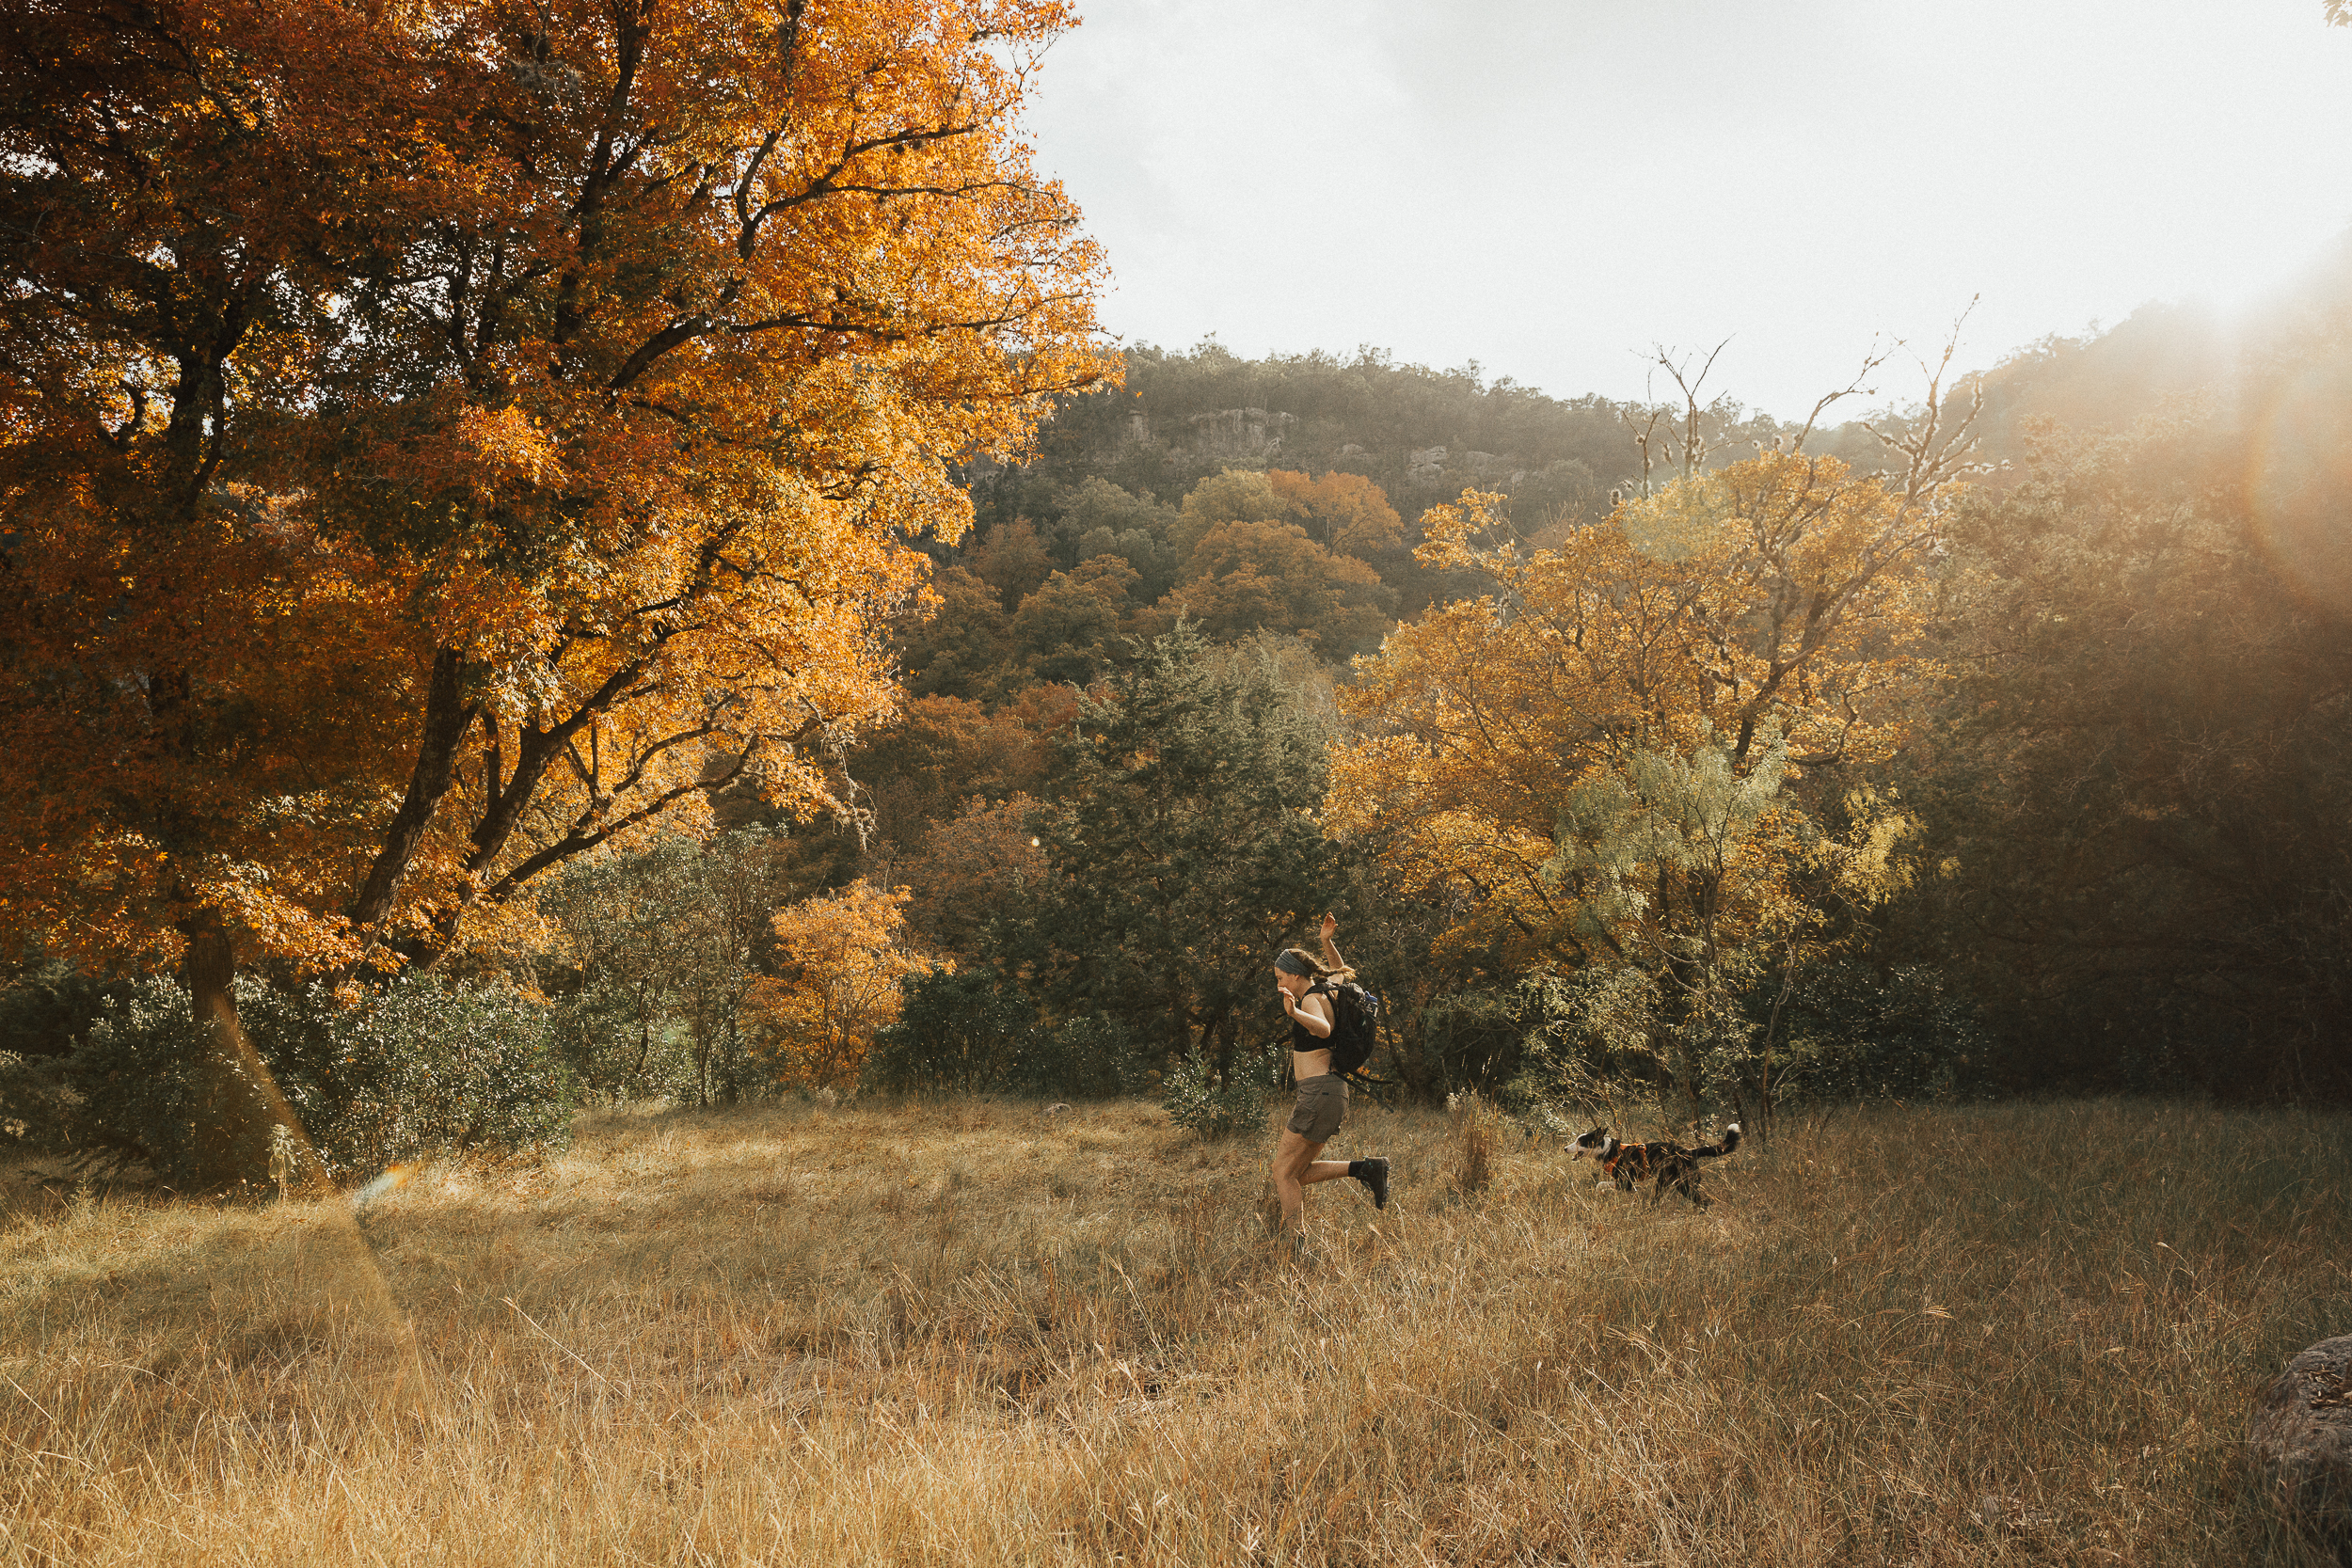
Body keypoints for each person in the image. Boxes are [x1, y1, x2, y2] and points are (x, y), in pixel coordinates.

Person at [1270, 912, 1389, 1259]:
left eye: (1281, 977)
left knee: (1282, 1172)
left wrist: (1293, 1014)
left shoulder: (1308, 1000)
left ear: (1295, 975)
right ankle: (1366, 1168)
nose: (1279, 983)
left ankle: (1297, 1249)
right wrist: (1326, 942)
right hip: (1330, 1092)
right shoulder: (1329, 989)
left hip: (1319, 1092)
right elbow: (1341, 971)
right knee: (1296, 1173)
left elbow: (1321, 1029)